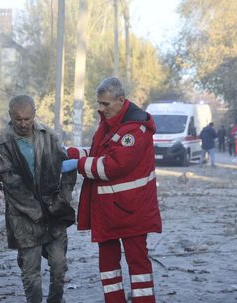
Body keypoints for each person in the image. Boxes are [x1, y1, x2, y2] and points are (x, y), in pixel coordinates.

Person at [64, 77, 162, 303]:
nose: (101, 108)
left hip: (132, 211)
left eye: (105, 104)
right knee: (108, 265)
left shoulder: (135, 129)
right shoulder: (111, 123)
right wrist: (70, 153)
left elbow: (113, 165)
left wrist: (77, 165)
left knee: (138, 265)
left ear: (121, 100)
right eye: (99, 103)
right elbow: (99, 151)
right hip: (109, 211)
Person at [0, 95, 76, 303]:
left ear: (34, 114)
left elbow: (70, 166)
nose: (23, 123)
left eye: (27, 118)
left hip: (53, 212)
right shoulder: (1, 142)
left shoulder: (48, 136)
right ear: (11, 116)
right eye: (18, 119)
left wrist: (63, 198)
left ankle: (56, 300)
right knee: (31, 273)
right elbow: (10, 182)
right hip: (23, 217)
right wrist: (36, 210)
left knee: (58, 266)